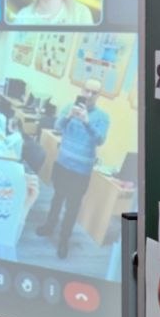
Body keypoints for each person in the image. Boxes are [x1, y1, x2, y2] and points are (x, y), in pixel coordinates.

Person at [36, 77, 109, 258]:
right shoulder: (69, 107)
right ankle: (49, 226)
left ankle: (64, 241)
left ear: (99, 95)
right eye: (87, 90)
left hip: (81, 170)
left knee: (72, 207)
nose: (89, 95)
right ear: (82, 90)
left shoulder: (103, 117)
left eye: (94, 92)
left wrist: (87, 122)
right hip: (62, 164)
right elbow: (57, 127)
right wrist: (69, 116)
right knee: (57, 198)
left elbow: (100, 140)